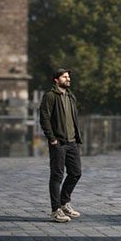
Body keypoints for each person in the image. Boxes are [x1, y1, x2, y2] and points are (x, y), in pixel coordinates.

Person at [39, 69, 83, 222]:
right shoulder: (50, 96)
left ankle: (64, 203)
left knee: (76, 172)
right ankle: (55, 210)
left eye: (69, 76)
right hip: (58, 143)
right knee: (57, 175)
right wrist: (52, 139)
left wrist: (77, 139)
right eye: (65, 77)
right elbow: (44, 118)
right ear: (56, 80)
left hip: (72, 142)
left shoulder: (71, 96)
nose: (68, 78)